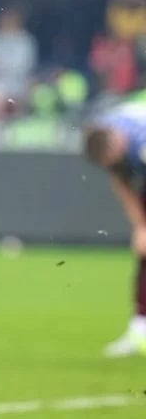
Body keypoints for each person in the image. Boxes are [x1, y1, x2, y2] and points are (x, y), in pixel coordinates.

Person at [83, 100, 146, 358]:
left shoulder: (141, 143)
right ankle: (140, 330)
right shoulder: (103, 132)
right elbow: (120, 180)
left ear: (118, 143)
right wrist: (141, 226)